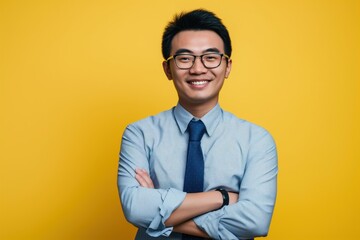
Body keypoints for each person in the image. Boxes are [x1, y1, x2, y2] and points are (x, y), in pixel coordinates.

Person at [117, 9, 278, 240]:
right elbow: (134, 209)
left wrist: (160, 214)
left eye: (210, 57)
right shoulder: (140, 134)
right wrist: (222, 198)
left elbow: (256, 222)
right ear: (167, 69)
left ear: (228, 66)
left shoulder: (257, 140)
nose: (198, 68)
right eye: (184, 58)